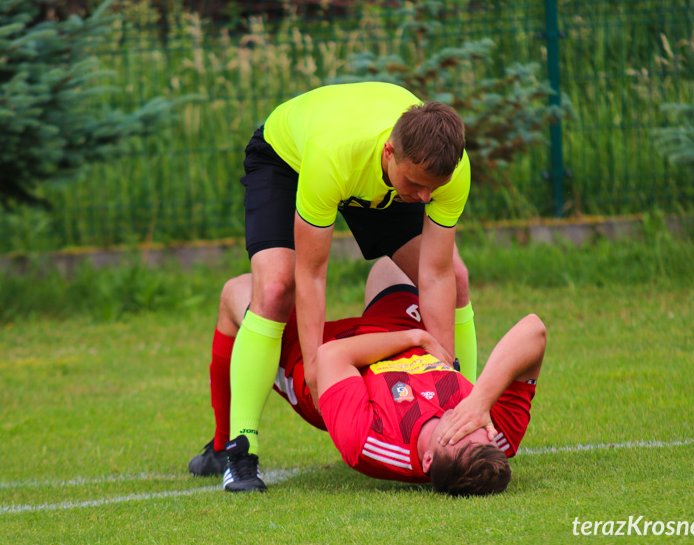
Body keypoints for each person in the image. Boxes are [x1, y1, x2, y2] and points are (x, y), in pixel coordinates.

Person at [227, 81, 479, 491]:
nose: (426, 197)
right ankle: (240, 449)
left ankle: (467, 399)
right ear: (390, 153)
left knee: (460, 277)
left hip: (377, 180)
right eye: (417, 185)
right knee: (275, 288)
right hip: (288, 158)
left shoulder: (443, 173)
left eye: (433, 188)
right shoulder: (334, 156)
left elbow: (436, 274)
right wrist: (313, 370)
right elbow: (312, 273)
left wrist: (444, 378)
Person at [191, 258, 545, 494]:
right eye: (479, 432)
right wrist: (480, 401)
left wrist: (416, 338)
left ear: (428, 462)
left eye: (459, 437)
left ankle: (224, 445)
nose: (469, 425)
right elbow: (534, 331)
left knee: (245, 292)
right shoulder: (493, 435)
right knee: (408, 262)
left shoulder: (372, 443)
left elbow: (332, 357)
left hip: (325, 363)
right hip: (393, 329)